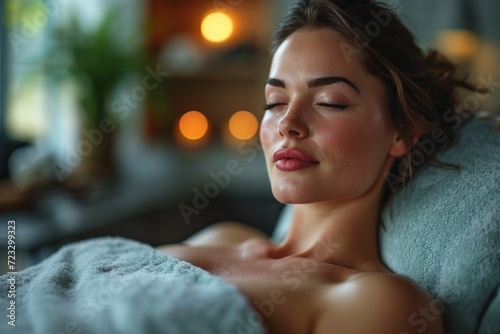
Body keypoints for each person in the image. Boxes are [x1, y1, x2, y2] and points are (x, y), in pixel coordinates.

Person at [159, 0, 482, 333]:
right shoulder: (223, 235)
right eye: (275, 102)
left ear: (401, 133)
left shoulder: (378, 303)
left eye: (330, 102)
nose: (288, 123)